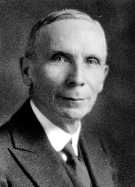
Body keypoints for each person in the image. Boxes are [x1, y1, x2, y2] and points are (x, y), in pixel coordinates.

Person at [0, 9, 118, 187]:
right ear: (27, 71)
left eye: (91, 61)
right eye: (60, 58)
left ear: (103, 76)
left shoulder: (97, 150)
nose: (77, 79)